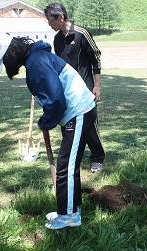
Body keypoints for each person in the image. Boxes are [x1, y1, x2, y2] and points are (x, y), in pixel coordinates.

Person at [0, 33, 97, 229]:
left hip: (78, 111)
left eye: (5, 60)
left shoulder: (36, 62)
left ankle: (68, 216)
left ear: (11, 52)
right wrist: (46, 120)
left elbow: (55, 99)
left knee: (66, 167)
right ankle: (71, 209)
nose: (8, 66)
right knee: (69, 165)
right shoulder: (36, 58)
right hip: (77, 110)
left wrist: (46, 122)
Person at [44, 2, 105, 173]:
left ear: (61, 17)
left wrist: (97, 86)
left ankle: (98, 158)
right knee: (68, 122)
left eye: (51, 21)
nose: (49, 25)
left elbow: (96, 59)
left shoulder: (81, 34)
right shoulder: (57, 39)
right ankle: (74, 155)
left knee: (90, 124)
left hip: (86, 87)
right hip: (68, 89)